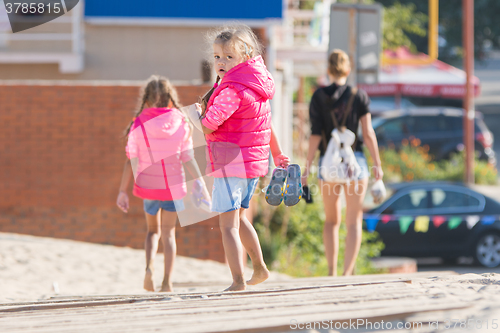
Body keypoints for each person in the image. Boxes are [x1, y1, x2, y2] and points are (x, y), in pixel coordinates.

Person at [191, 24, 290, 291]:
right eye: (216, 57)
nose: (221, 62)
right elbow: (266, 127)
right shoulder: (257, 87)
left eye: (228, 57)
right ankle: (259, 268)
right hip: (253, 166)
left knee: (228, 227)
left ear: (245, 56)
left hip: (230, 164)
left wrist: (197, 116)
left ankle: (237, 281)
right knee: (241, 219)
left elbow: (210, 125)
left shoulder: (232, 89)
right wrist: (278, 154)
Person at [116, 75, 210, 292]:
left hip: (148, 186)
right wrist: (200, 183)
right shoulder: (180, 121)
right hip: (173, 188)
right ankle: (167, 282)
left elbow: (130, 161)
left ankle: (149, 267)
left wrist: (122, 191)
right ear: (170, 99)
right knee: (169, 233)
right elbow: (188, 158)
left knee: (152, 232)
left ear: (146, 100)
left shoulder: (138, 123)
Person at [301, 50, 384, 276]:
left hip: (328, 164)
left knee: (331, 221)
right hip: (355, 163)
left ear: (328, 70)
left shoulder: (318, 97)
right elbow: (367, 133)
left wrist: (306, 169)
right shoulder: (359, 96)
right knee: (354, 221)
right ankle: (347, 274)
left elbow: (315, 135)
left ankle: (331, 272)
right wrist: (377, 166)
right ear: (348, 70)